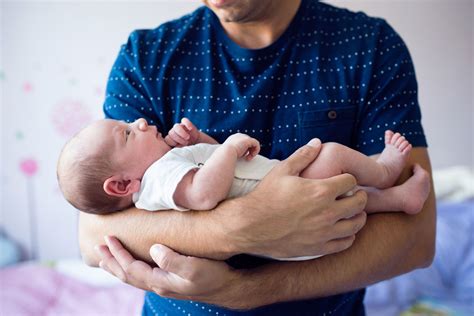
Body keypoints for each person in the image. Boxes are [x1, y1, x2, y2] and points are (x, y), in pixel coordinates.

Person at [79, 0, 436, 314]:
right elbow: (95, 235)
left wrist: (247, 290)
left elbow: (415, 239)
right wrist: (242, 227)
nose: (138, 127)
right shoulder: (146, 57)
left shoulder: (367, 46)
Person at [59, 116, 428, 220]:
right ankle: (384, 172)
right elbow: (205, 194)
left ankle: (397, 200)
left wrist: (198, 141)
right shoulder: (156, 179)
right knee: (330, 157)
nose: (139, 121)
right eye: (126, 135)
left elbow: (216, 171)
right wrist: (232, 145)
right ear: (122, 185)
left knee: (343, 198)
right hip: (285, 201)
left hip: (289, 205)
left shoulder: (162, 172)